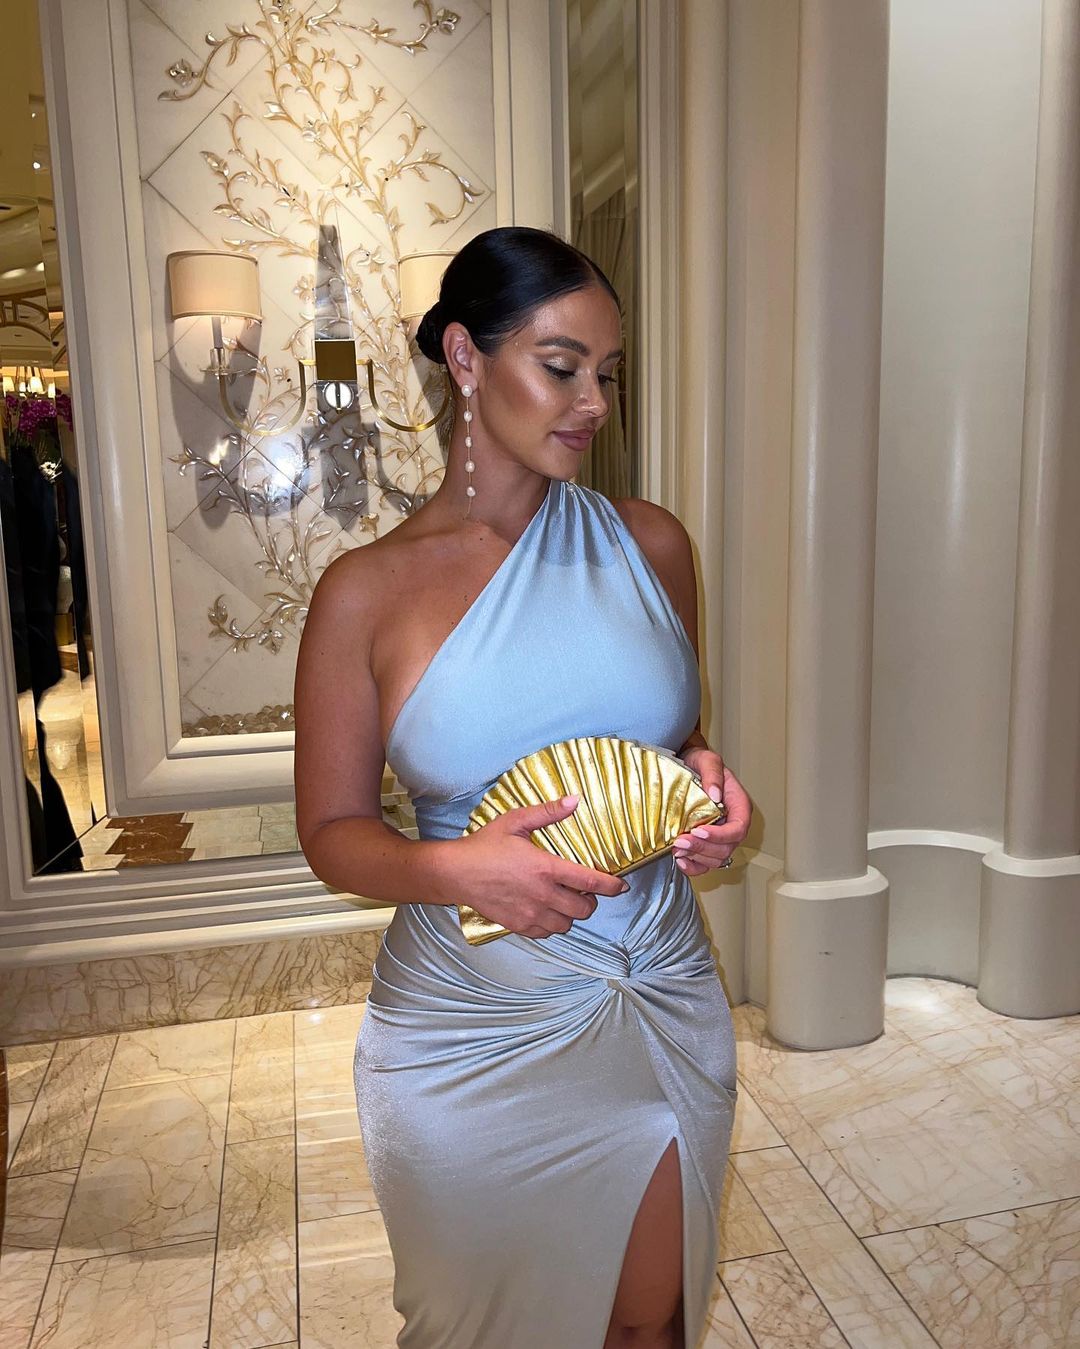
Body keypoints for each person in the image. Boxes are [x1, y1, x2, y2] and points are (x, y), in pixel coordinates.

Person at [294, 226, 753, 1349]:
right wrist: (456, 867)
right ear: (466, 355)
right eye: (561, 366)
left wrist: (706, 788)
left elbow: (683, 737)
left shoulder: (653, 545)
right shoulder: (366, 590)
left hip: (656, 990)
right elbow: (333, 832)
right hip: (469, 1023)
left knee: (648, 1324)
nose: (593, 403)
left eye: (608, 373)